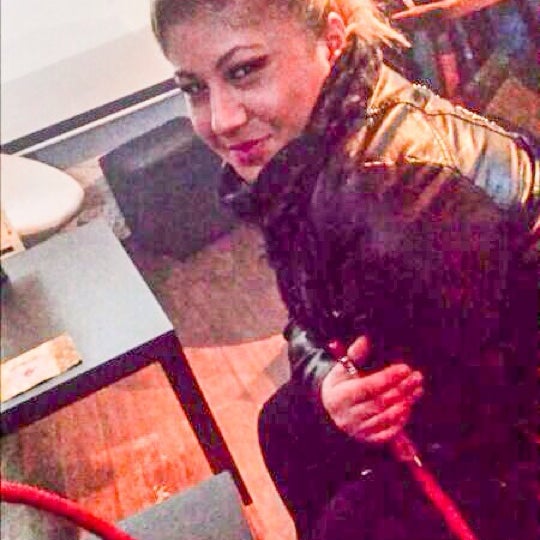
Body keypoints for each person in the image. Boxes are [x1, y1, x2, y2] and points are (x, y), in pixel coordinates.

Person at [150, 1, 539, 538]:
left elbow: (454, 416)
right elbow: (317, 314)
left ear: (331, 39)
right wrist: (326, 382)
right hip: (478, 396)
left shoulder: (398, 195)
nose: (221, 120)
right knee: (284, 425)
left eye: (244, 71)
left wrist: (339, 394)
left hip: (516, 419)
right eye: (194, 88)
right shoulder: (318, 147)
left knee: (350, 520)